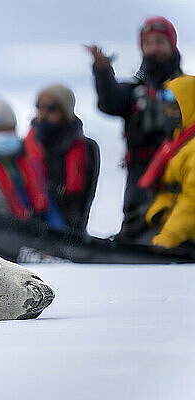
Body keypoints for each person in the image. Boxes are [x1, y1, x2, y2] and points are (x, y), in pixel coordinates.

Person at [86, 16, 186, 242]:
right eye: (147, 43)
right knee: (136, 226)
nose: (153, 49)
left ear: (172, 45)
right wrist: (102, 71)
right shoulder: (133, 90)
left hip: (177, 175)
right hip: (139, 176)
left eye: (159, 42)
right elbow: (109, 102)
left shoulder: (186, 89)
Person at [0, 98, 66, 230]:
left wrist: (60, 237)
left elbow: (49, 208)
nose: (4, 135)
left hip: (31, 234)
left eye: (9, 130)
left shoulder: (29, 164)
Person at [23, 85, 100, 233]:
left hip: (67, 229)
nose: (43, 114)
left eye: (51, 108)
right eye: (40, 107)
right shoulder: (25, 147)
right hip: (31, 228)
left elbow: (85, 198)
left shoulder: (87, 148)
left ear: (65, 112)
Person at [143, 67, 195, 249]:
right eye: (165, 105)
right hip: (175, 231)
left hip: (182, 237)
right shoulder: (180, 142)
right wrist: (152, 217)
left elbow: (192, 203)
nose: (166, 112)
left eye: (174, 106)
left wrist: (168, 238)